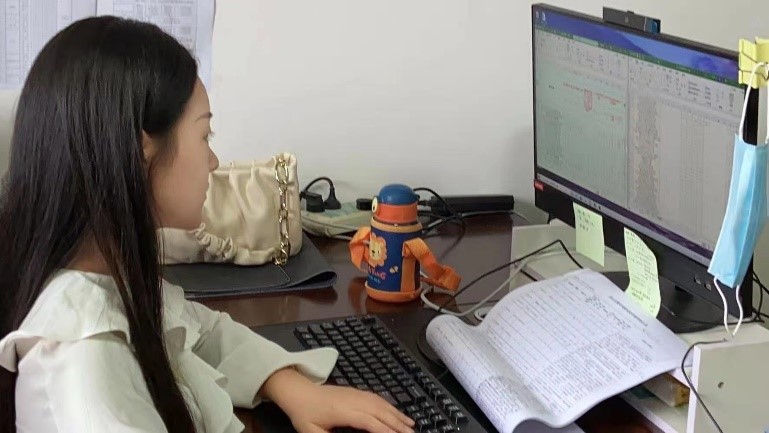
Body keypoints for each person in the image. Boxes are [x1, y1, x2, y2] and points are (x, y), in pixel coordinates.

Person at [0, 17, 414, 433]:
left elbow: (199, 331)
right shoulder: (84, 376)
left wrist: (293, 389)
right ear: (140, 149)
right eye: (205, 136)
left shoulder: (107, 277)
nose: (213, 161)